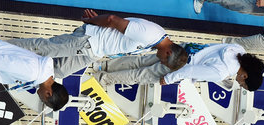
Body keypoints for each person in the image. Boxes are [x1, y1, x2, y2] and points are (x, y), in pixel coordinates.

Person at [9, 9, 187, 79]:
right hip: (88, 41)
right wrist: (92, 21)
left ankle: (13, 67)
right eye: (164, 61)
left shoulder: (155, 42)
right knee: (41, 48)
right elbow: (112, 20)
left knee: (59, 71)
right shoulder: (150, 34)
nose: (160, 61)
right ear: (169, 53)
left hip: (94, 52)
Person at [96, 42, 264, 91]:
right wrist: (169, 79)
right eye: (242, 84)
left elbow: (207, 53)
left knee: (142, 61)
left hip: (182, 49)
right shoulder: (222, 72)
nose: (239, 84)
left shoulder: (238, 49)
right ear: (245, 76)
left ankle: (104, 65)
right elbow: (189, 70)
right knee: (138, 76)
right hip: (178, 65)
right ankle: (102, 78)